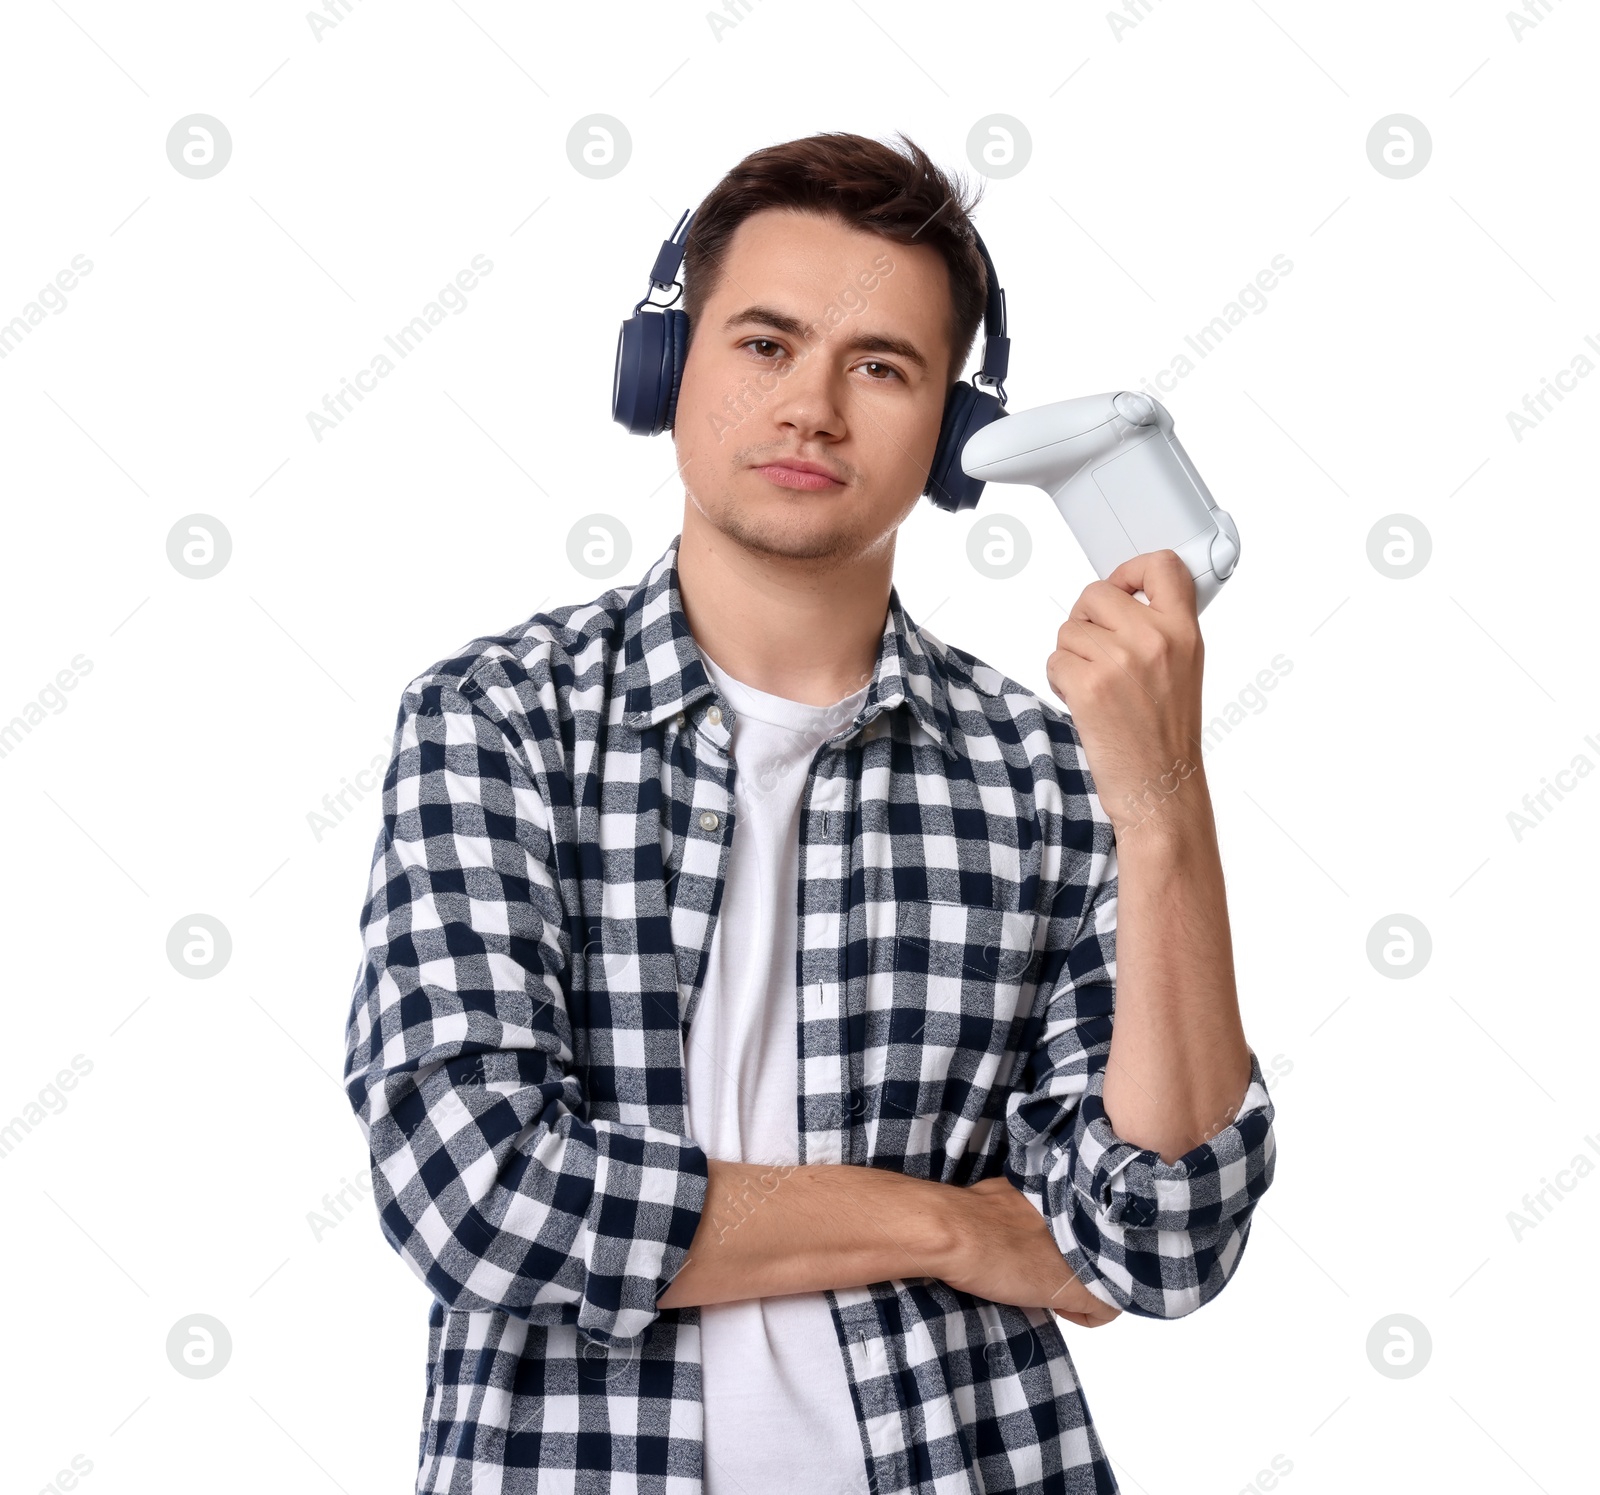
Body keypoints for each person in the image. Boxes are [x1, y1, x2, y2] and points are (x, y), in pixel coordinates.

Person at [342, 129, 1277, 1495]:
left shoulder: (1039, 769)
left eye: (881, 367)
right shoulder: (494, 721)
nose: (813, 409)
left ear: (957, 438)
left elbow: (1162, 1238)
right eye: (765, 346)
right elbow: (474, 1190)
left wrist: (1160, 799)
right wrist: (950, 1228)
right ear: (667, 373)